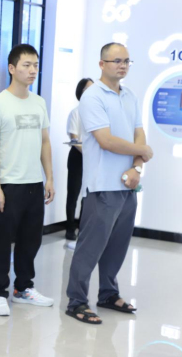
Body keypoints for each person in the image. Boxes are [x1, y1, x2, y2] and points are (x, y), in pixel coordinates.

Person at [65, 43, 153, 324]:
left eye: (126, 60)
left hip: (128, 184)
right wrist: (143, 152)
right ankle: (77, 301)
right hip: (102, 185)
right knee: (90, 247)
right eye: (117, 60)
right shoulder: (92, 97)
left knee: (117, 247)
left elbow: (140, 134)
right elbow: (105, 140)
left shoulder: (130, 95)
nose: (122, 65)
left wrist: (137, 167)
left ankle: (108, 294)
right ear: (102, 64)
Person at [0, 44, 55, 317]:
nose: (32, 70)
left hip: (34, 182)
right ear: (12, 68)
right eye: (26, 65)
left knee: (31, 239)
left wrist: (49, 178)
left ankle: (23, 288)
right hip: (9, 183)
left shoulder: (39, 102)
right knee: (4, 240)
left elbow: (45, 142)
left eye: (35, 64)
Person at [64, 78, 93, 250]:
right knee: (73, 193)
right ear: (81, 92)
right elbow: (74, 139)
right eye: (88, 89)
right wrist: (87, 153)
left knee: (87, 195)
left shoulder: (98, 113)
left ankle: (83, 228)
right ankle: (70, 229)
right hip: (78, 156)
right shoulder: (75, 112)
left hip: (92, 157)